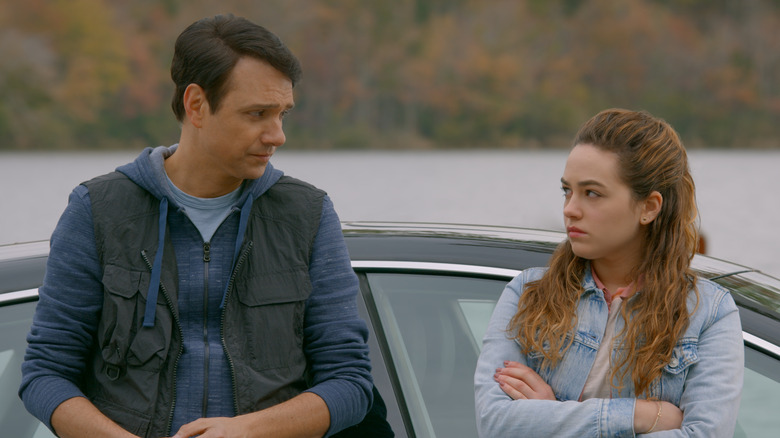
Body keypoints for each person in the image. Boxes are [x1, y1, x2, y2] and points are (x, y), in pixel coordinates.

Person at [19, 14, 379, 438]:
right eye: (258, 113)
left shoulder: (308, 214)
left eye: (283, 114)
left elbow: (351, 383)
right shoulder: (97, 210)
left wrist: (248, 431)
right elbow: (45, 375)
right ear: (196, 105)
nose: (277, 135)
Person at [474, 109, 743, 437]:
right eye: (567, 191)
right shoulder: (528, 293)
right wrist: (640, 416)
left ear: (648, 207)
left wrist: (551, 413)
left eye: (592, 193)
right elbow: (495, 424)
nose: (570, 209)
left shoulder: (707, 313)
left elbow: (705, 435)